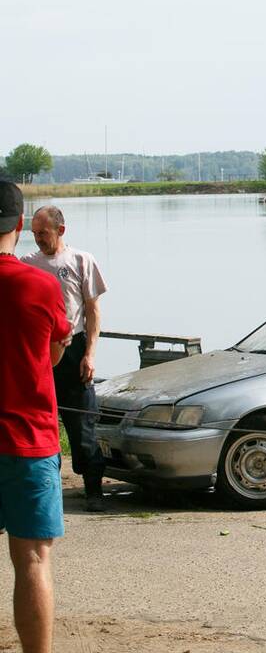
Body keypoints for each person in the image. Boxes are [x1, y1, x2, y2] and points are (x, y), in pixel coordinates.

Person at [0, 181, 71, 653]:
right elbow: (53, 354)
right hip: (27, 439)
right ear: (21, 224)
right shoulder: (41, 284)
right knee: (32, 561)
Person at [22, 205, 108, 512]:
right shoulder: (27, 264)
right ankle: (46, 491)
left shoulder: (81, 261)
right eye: (33, 234)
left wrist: (90, 354)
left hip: (74, 349)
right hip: (39, 351)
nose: (38, 240)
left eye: (43, 233)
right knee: (41, 425)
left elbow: (93, 310)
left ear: (61, 230)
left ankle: (94, 491)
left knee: (82, 425)